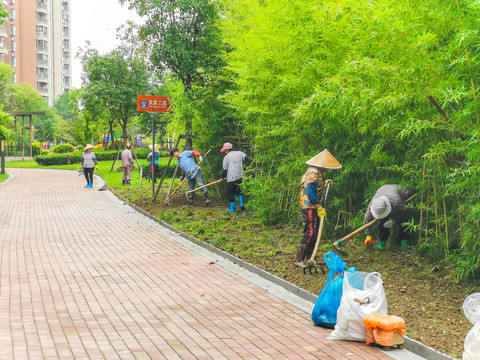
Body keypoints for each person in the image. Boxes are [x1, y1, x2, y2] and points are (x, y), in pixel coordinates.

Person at [295, 149, 342, 268]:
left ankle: (311, 257)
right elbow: (310, 192)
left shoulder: (316, 172)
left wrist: (324, 183)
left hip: (313, 206)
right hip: (309, 206)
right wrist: (319, 207)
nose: (329, 169)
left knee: (315, 232)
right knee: (310, 231)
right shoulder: (313, 172)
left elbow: (315, 186)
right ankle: (299, 259)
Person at [364, 184, 411, 250]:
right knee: (382, 222)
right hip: (383, 190)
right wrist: (368, 235)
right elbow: (367, 220)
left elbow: (403, 212)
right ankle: (382, 245)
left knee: (404, 221)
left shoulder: (396, 202)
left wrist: (393, 220)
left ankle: (404, 243)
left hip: (401, 193)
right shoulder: (372, 205)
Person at [220, 142, 250, 212]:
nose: (224, 152)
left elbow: (224, 170)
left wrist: (222, 177)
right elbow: (248, 158)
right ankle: (242, 204)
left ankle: (232, 209)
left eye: (224, 150)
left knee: (230, 193)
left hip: (231, 178)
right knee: (239, 191)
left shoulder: (226, 157)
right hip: (240, 176)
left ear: (226, 150)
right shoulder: (239, 153)